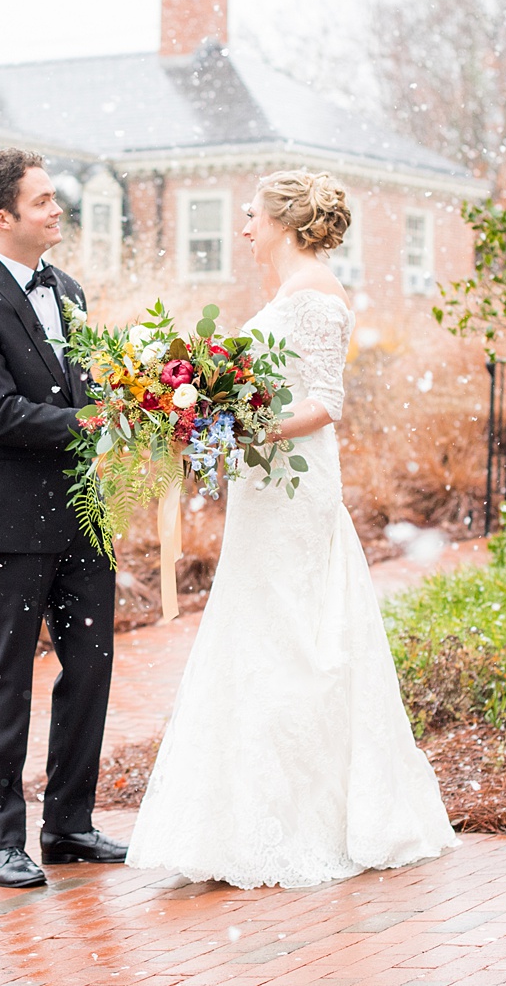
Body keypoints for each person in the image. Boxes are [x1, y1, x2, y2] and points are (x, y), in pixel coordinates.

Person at [126, 170, 455, 889]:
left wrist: (242, 428)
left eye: (251, 215)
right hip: (267, 486)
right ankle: (246, 818)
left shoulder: (313, 294)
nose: (244, 227)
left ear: (282, 219)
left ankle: (301, 820)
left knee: (293, 638)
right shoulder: (290, 290)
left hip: (291, 487)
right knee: (259, 632)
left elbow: (325, 401)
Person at [0, 148, 126, 889]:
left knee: (90, 668)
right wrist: (90, 419)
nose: (57, 210)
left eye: (56, 199)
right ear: (2, 218)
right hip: (11, 522)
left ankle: (70, 824)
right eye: (42, 201)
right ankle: (4, 839)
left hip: (84, 517)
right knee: (6, 678)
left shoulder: (70, 290)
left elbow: (87, 379)